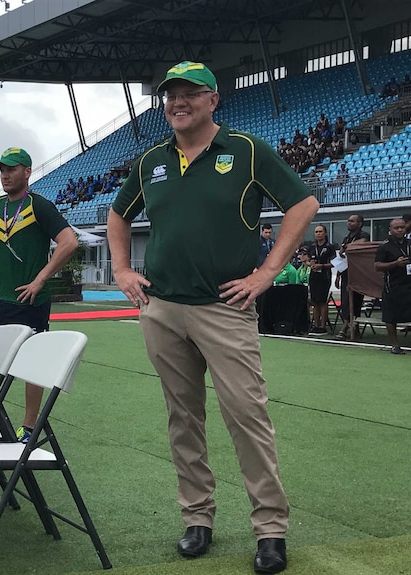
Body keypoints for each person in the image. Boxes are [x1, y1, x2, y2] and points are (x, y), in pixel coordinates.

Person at [108, 61, 319, 574]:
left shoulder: (246, 150)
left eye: (189, 94)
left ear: (213, 100)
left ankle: (270, 530)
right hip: (161, 309)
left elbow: (304, 204)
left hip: (225, 309)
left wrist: (267, 273)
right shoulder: (151, 160)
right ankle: (197, 517)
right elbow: (118, 215)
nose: (177, 102)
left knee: (247, 417)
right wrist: (121, 269)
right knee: (183, 419)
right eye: (170, 95)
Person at [0, 147, 76, 444]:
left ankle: (29, 428)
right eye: (2, 170)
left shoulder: (39, 205)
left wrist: (39, 280)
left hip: (31, 299)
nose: (5, 175)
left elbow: (69, 242)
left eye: (11, 169)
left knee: (32, 364)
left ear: (27, 172)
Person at [374, 218, 411, 355]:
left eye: (402, 227)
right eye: (397, 228)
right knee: (391, 317)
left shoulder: (409, 243)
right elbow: (377, 266)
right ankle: (395, 345)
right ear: (390, 229)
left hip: (409, 284)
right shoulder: (385, 246)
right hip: (393, 286)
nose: (400, 230)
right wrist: (395, 263)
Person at [334, 214, 370, 340]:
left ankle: (349, 328)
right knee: (345, 302)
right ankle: (350, 328)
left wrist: (347, 247)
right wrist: (338, 275)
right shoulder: (346, 237)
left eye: (352, 221)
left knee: (355, 302)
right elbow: (342, 258)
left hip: (358, 274)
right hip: (345, 273)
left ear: (359, 223)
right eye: (348, 221)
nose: (349, 223)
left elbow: (363, 243)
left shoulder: (363, 235)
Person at [307, 225, 336, 334]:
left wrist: (322, 266)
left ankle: (323, 326)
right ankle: (316, 325)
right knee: (315, 301)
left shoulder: (330, 247)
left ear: (325, 233)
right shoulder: (312, 246)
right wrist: (311, 263)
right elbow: (308, 260)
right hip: (314, 276)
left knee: (322, 301)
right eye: (316, 232)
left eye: (320, 231)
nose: (318, 233)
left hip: (325, 276)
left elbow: (334, 263)